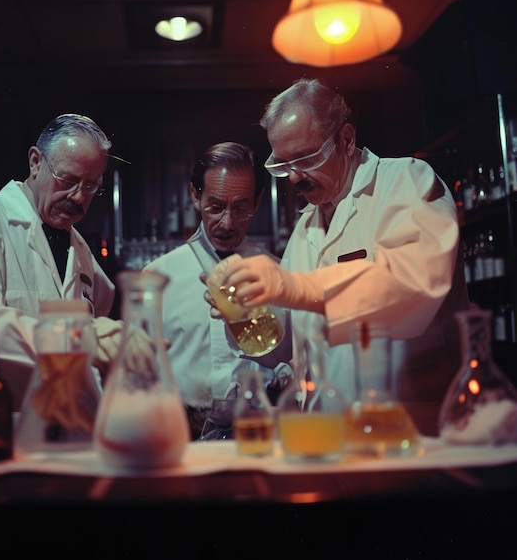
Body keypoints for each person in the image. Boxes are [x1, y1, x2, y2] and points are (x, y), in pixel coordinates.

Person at [210, 78, 470, 436]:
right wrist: (244, 311)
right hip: (327, 432)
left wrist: (296, 287)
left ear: (346, 139)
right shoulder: (306, 227)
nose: (295, 177)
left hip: (412, 426)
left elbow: (414, 282)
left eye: (305, 157)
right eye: (283, 165)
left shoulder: (405, 182)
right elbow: (282, 348)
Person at [0, 113, 126, 410]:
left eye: (90, 187)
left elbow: (100, 318)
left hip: (64, 427)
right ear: (36, 162)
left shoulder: (81, 249)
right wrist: (72, 338)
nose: (77, 197)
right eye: (68, 180)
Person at [144, 142, 292, 440]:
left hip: (259, 434)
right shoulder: (157, 277)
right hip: (180, 437)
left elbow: (294, 363)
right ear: (195, 196)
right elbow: (141, 373)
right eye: (215, 206)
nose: (227, 223)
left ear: (258, 201)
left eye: (240, 208)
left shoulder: (280, 275)